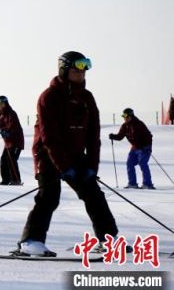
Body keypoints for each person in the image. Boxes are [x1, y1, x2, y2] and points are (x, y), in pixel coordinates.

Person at [16, 51, 119, 256]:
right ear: (64, 71)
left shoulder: (87, 98)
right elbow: (49, 138)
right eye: (76, 71)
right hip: (47, 153)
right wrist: (64, 167)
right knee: (49, 196)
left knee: (93, 193)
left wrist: (91, 167)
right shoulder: (49, 97)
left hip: (74, 154)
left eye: (84, 71)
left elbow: (93, 136)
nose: (81, 75)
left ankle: (109, 240)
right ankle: (31, 242)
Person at [109, 108, 154, 189]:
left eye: (125, 116)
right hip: (134, 148)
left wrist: (147, 147)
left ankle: (147, 184)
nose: (124, 118)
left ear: (131, 116)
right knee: (129, 164)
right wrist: (113, 136)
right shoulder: (125, 126)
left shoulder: (139, 124)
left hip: (144, 148)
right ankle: (132, 184)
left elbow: (149, 136)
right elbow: (120, 136)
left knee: (142, 163)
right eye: (123, 116)